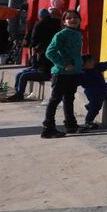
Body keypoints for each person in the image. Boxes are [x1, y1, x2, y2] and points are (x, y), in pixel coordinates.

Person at [42, 10, 83, 138]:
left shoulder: (77, 34)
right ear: (64, 21)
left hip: (73, 73)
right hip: (61, 73)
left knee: (69, 99)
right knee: (55, 100)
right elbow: (50, 52)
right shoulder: (61, 35)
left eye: (75, 17)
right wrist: (64, 64)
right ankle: (48, 128)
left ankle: (71, 125)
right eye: (69, 18)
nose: (73, 20)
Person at [78, 54, 107, 132]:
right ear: (84, 64)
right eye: (90, 61)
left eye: (93, 60)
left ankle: (89, 105)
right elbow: (76, 82)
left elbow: (104, 64)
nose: (93, 62)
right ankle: (88, 121)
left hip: (102, 90)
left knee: (105, 94)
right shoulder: (81, 73)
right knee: (95, 107)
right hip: (92, 92)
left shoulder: (96, 67)